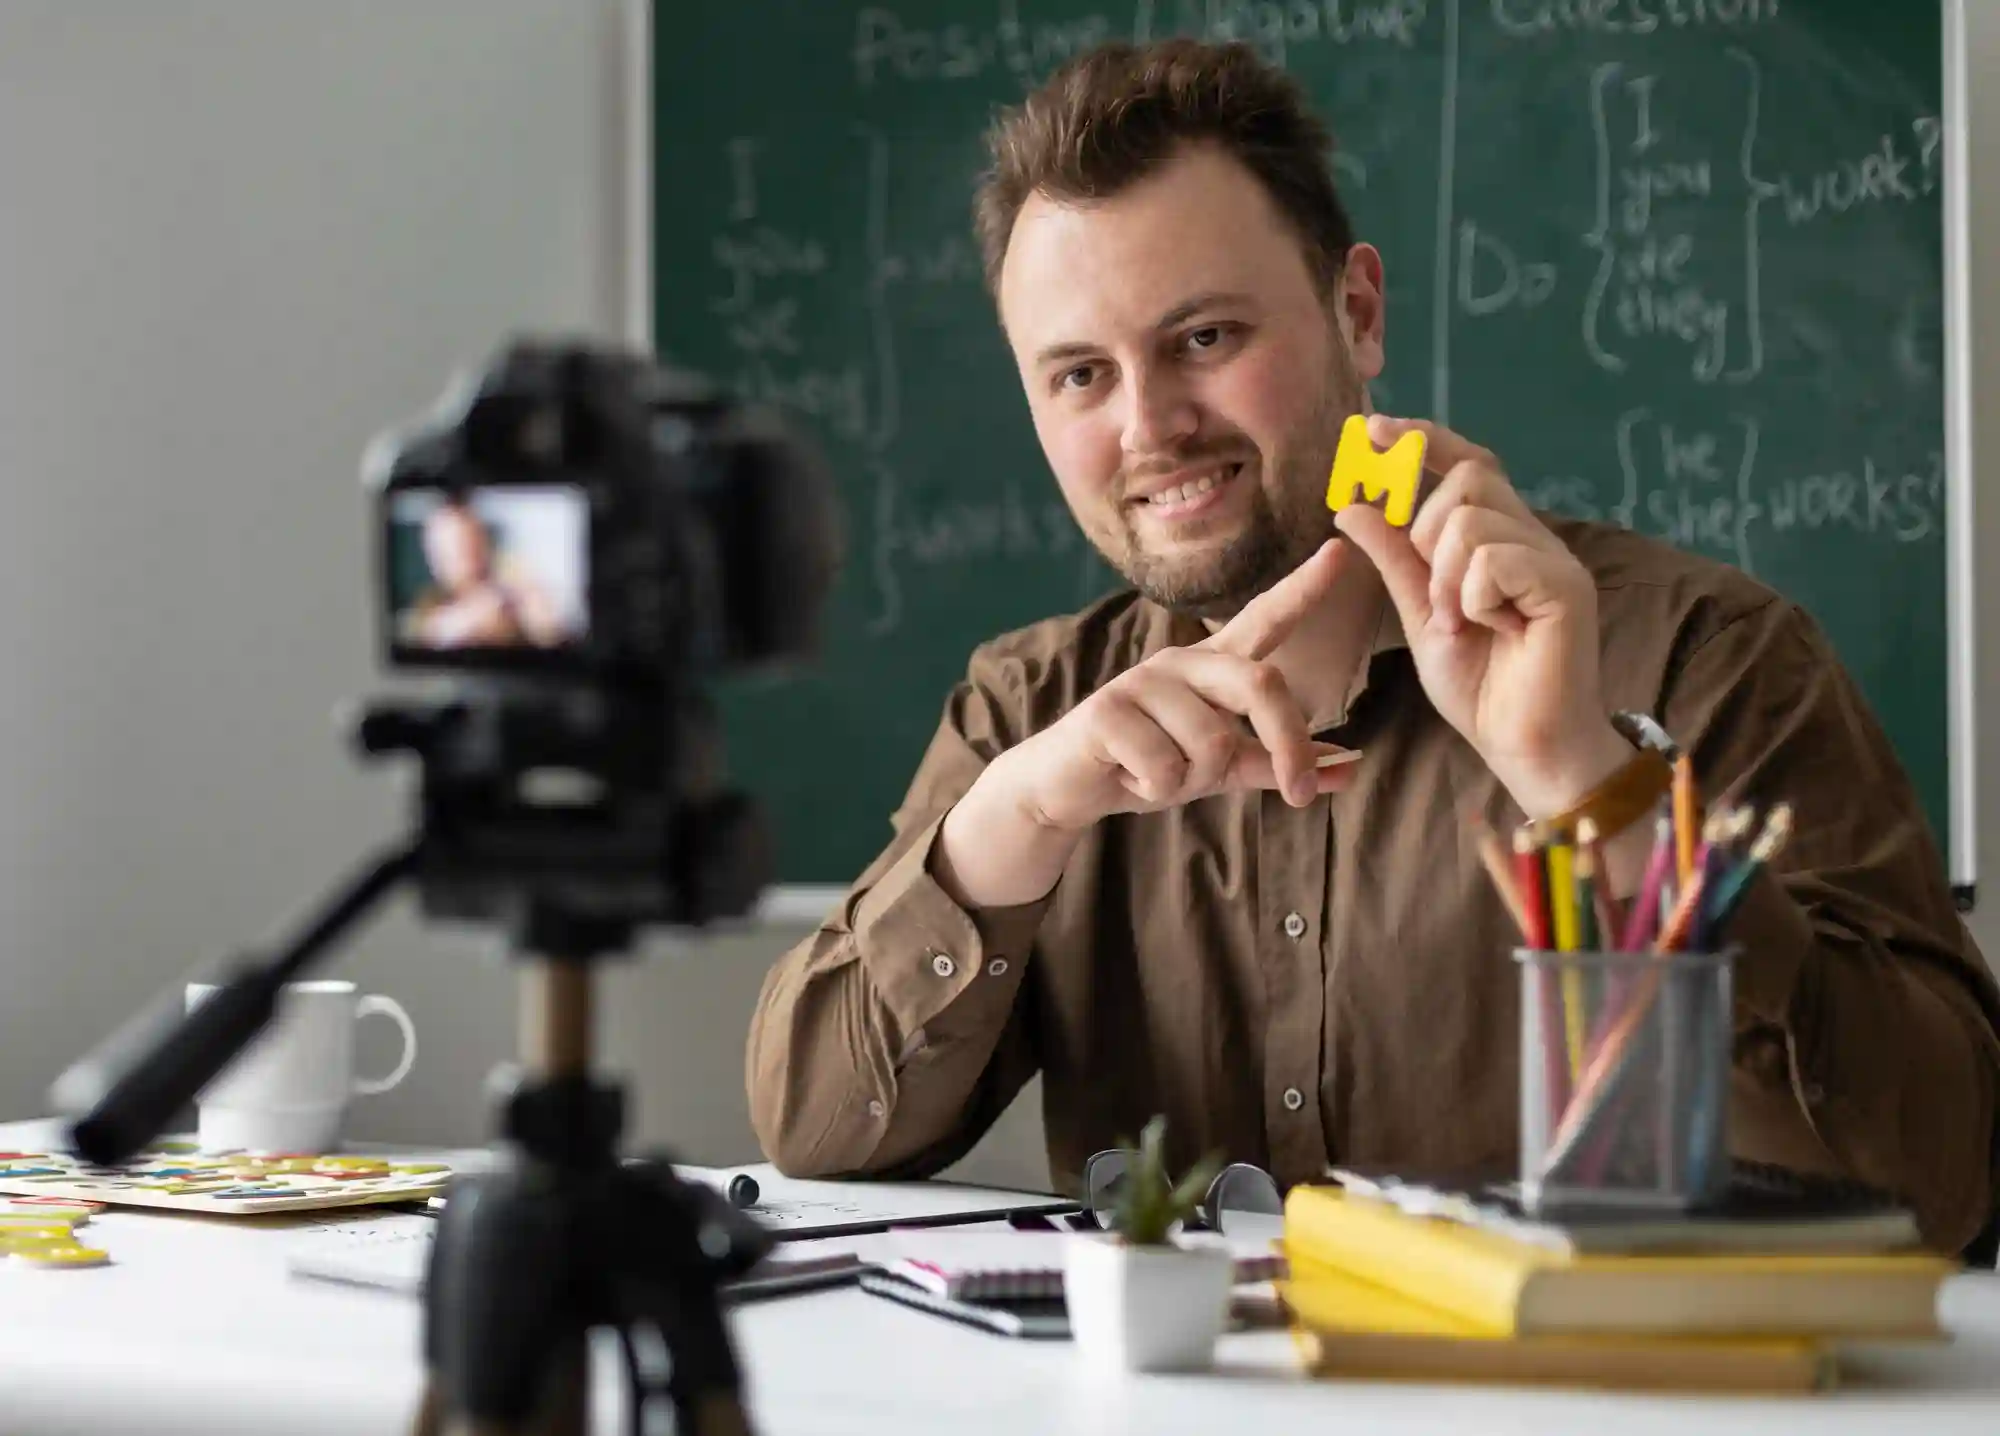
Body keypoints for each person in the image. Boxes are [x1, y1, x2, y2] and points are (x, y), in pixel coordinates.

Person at [744, 38, 2000, 1254]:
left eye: (1202, 339)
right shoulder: (1028, 711)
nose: (1151, 428)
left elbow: (1934, 1183)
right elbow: (814, 1129)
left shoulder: (1706, 658)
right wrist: (1015, 818)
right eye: (1079, 374)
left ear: (1355, 311)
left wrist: (1586, 782)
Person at [403, 497, 569, 650]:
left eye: (467, 543)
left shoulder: (514, 587)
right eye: (448, 549)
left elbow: (553, 639)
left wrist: (539, 620)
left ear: (483, 542)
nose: (462, 556)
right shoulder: (424, 608)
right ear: (433, 556)